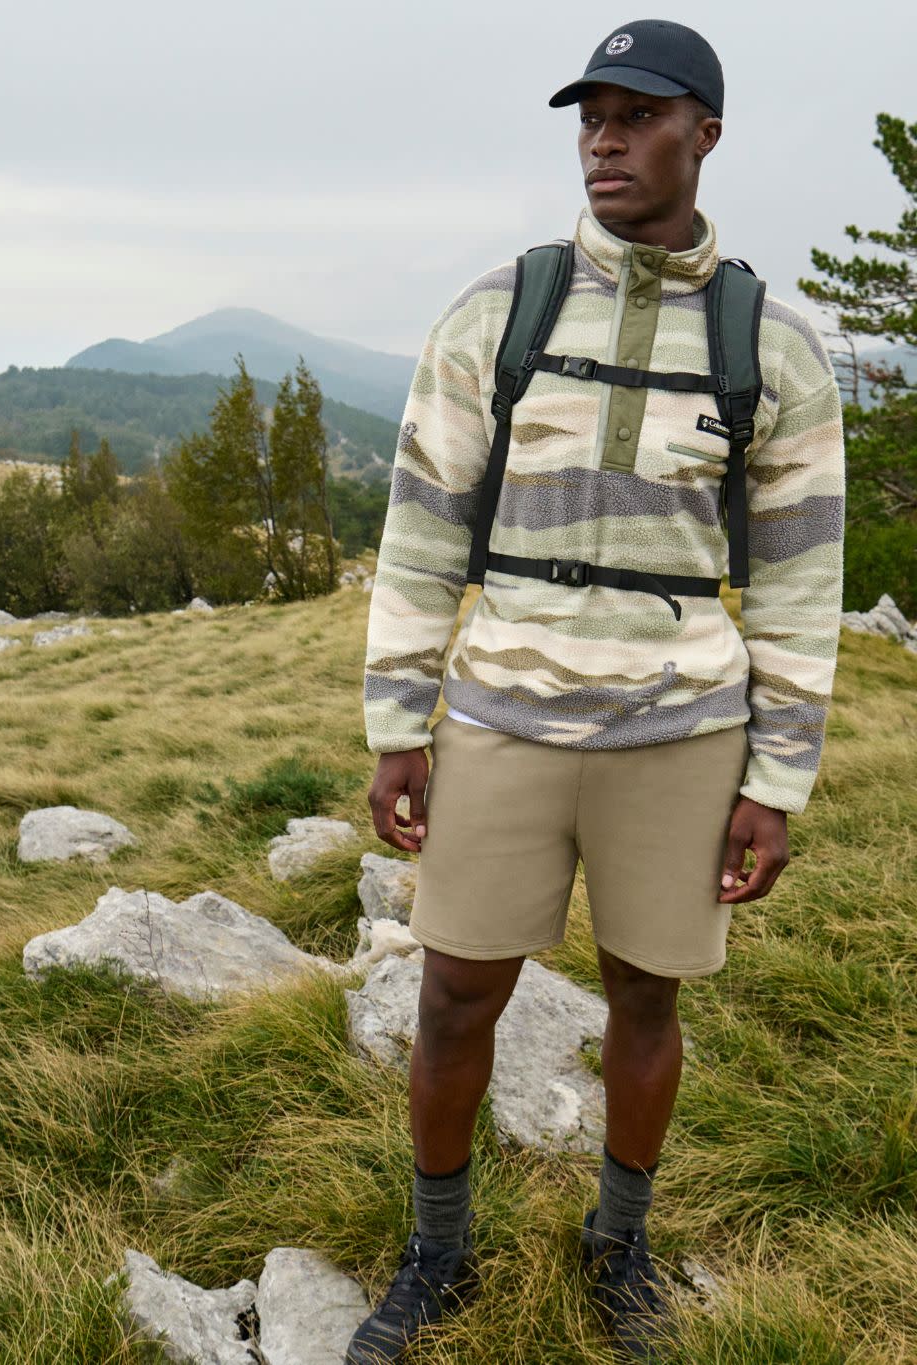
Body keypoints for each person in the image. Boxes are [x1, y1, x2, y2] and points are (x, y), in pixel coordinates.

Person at [350, 17, 845, 1363]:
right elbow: (420, 528)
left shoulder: (771, 347)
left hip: (681, 731)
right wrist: (399, 724)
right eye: (591, 117)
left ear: (706, 135)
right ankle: (438, 1252)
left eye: (639, 116)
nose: (604, 142)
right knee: (455, 995)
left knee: (647, 999)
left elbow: (802, 583)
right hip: (500, 716)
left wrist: (777, 780)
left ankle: (618, 1247)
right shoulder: (499, 312)